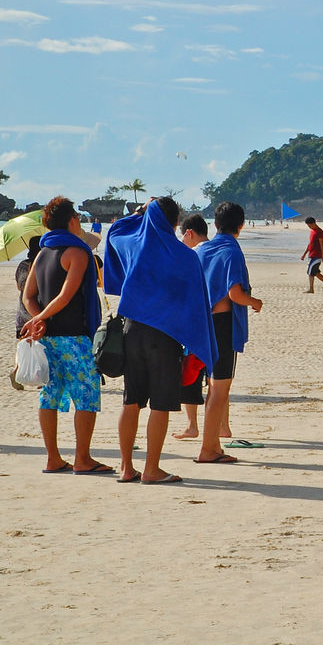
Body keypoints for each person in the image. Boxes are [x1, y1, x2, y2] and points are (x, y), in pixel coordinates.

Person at [104, 197, 217, 484]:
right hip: (164, 337)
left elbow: (115, 230)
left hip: (131, 331)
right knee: (160, 404)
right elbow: (196, 305)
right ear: (176, 224)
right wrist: (196, 346)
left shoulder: (132, 245)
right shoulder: (185, 256)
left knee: (131, 401)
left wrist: (142, 212)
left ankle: (127, 468)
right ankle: (152, 469)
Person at [20, 197, 108, 474]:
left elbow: (28, 295)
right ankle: (82, 459)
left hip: (48, 338)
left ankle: (53, 458)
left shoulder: (43, 252)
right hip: (75, 337)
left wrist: (38, 319)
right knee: (87, 396)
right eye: (78, 218)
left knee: (50, 395)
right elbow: (66, 296)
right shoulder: (77, 253)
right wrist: (40, 318)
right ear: (71, 220)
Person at [194, 202, 263, 464]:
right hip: (223, 325)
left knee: (213, 388)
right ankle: (207, 449)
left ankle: (213, 444)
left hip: (204, 325)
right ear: (241, 226)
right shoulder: (232, 251)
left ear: (215, 225)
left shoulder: (203, 250)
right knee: (220, 389)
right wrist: (254, 302)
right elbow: (235, 294)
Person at [173, 213, 210, 440]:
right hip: (214, 320)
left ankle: (192, 425)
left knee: (191, 373)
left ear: (189, 233)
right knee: (215, 378)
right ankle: (221, 425)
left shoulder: (191, 255)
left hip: (194, 323)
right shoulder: (215, 251)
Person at [9, 235, 43, 390]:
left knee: (23, 344)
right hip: (37, 308)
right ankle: (40, 377)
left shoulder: (22, 265)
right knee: (40, 345)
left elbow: (18, 286)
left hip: (22, 310)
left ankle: (16, 371)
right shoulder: (42, 264)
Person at [299, 216, 323, 293]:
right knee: (315, 272)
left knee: (310, 271)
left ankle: (312, 289)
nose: (309, 227)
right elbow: (310, 244)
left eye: (310, 225)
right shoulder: (312, 232)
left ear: (314, 223)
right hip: (311, 255)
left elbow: (322, 244)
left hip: (317, 256)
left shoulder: (320, 232)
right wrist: (304, 254)